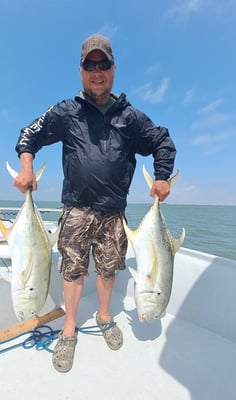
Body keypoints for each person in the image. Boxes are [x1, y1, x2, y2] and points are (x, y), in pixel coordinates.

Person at [14, 34, 176, 372]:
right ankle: (70, 328)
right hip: (75, 207)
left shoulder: (130, 117)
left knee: (106, 269)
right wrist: (27, 167)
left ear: (114, 69)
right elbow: (28, 134)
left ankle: (104, 317)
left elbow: (162, 140)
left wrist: (162, 176)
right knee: (72, 271)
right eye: (90, 65)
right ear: (81, 71)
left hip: (113, 211)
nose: (97, 71)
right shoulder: (66, 111)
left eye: (103, 64)